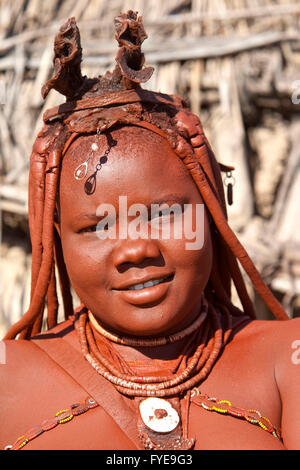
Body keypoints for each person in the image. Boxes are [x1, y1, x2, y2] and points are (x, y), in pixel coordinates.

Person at [0, 11, 299, 451]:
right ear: (56, 240)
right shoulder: (9, 377)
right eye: (97, 227)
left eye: (163, 215)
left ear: (211, 210)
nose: (135, 249)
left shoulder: (285, 360)